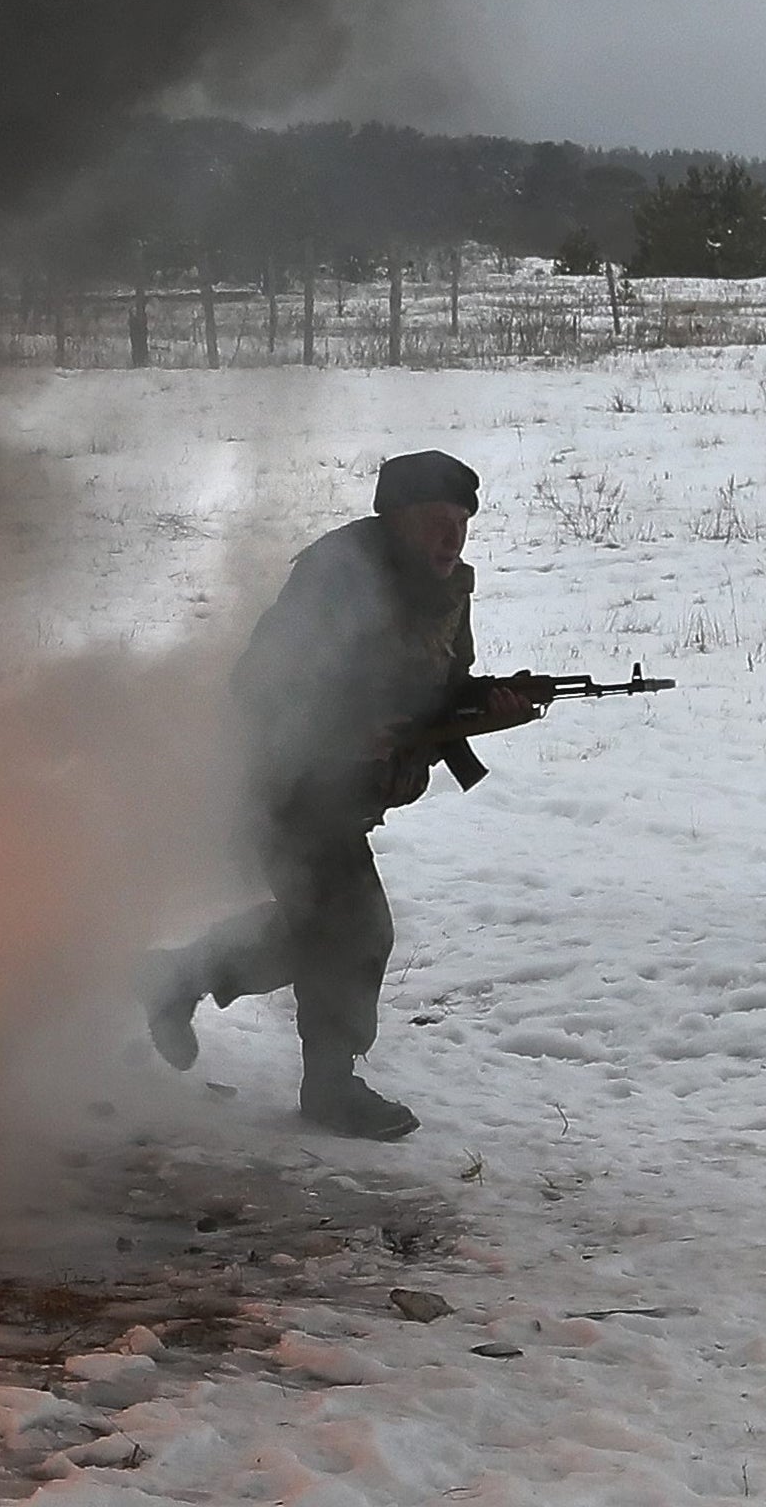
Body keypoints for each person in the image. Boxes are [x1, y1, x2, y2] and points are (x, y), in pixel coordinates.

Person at [141, 450, 535, 1140]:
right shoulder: (338, 574)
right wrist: (343, 727)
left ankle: (177, 977)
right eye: (437, 522)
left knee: (315, 933)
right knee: (357, 931)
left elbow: (433, 694)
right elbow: (259, 682)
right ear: (397, 520)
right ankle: (330, 1088)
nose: (452, 539)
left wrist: (487, 707)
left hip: (342, 794)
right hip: (281, 785)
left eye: (462, 524)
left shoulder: (444, 589)